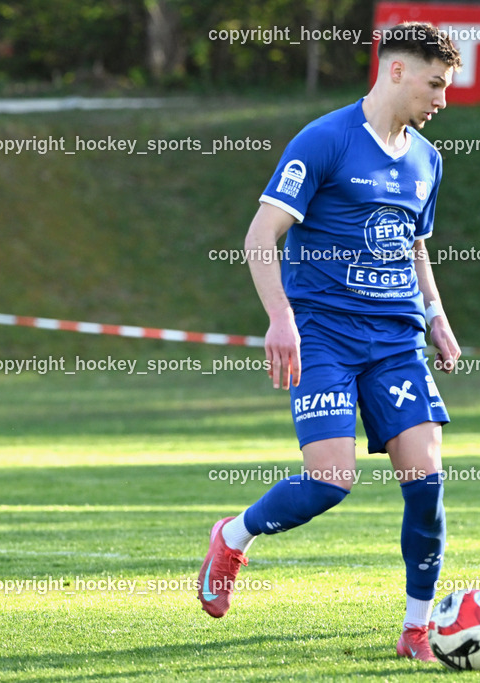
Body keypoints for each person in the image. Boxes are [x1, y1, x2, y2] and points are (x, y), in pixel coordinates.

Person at [197, 22, 462, 663]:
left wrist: (436, 315)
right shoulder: (324, 140)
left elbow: (415, 245)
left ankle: (417, 628)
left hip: (396, 340)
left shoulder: (427, 160)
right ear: (396, 70)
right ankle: (233, 535)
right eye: (435, 84)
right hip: (324, 336)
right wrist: (280, 318)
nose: (442, 100)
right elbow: (261, 237)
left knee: (427, 483)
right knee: (330, 482)